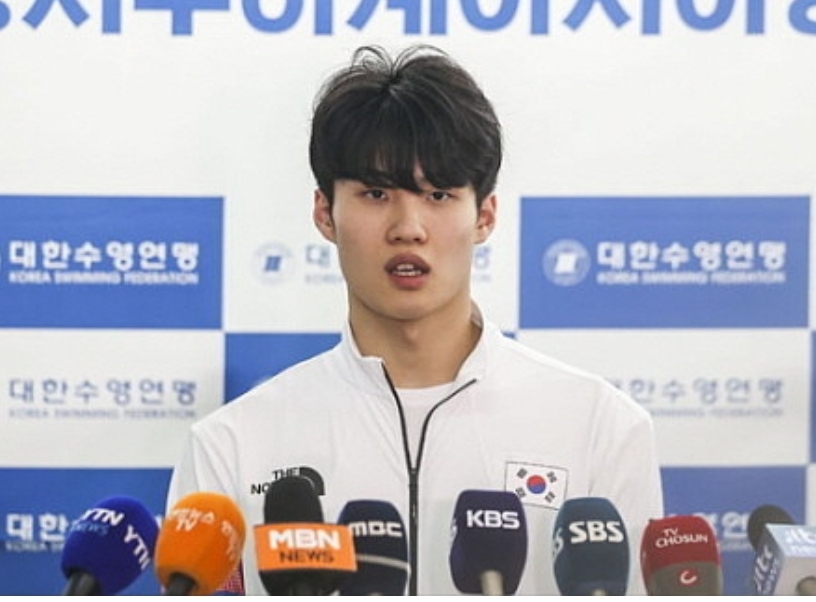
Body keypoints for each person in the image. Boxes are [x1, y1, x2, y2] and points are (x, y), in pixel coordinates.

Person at [165, 44, 664, 595]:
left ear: (485, 216)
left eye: (439, 194)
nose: (409, 227)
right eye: (376, 193)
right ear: (325, 214)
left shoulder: (600, 426)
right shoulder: (232, 445)